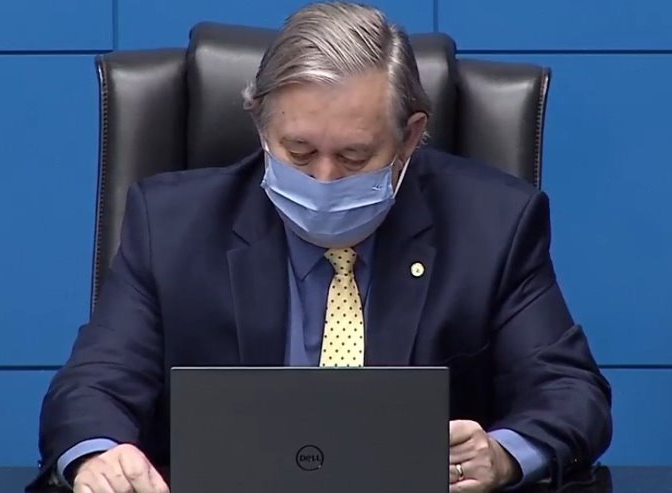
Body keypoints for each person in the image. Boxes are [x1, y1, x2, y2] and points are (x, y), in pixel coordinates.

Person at [31, 3, 612, 493]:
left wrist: (503, 456)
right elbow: (93, 384)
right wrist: (100, 457)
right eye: (300, 152)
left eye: (355, 156)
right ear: (260, 124)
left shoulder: (494, 223)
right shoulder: (171, 225)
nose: (325, 179)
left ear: (410, 136)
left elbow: (570, 392)